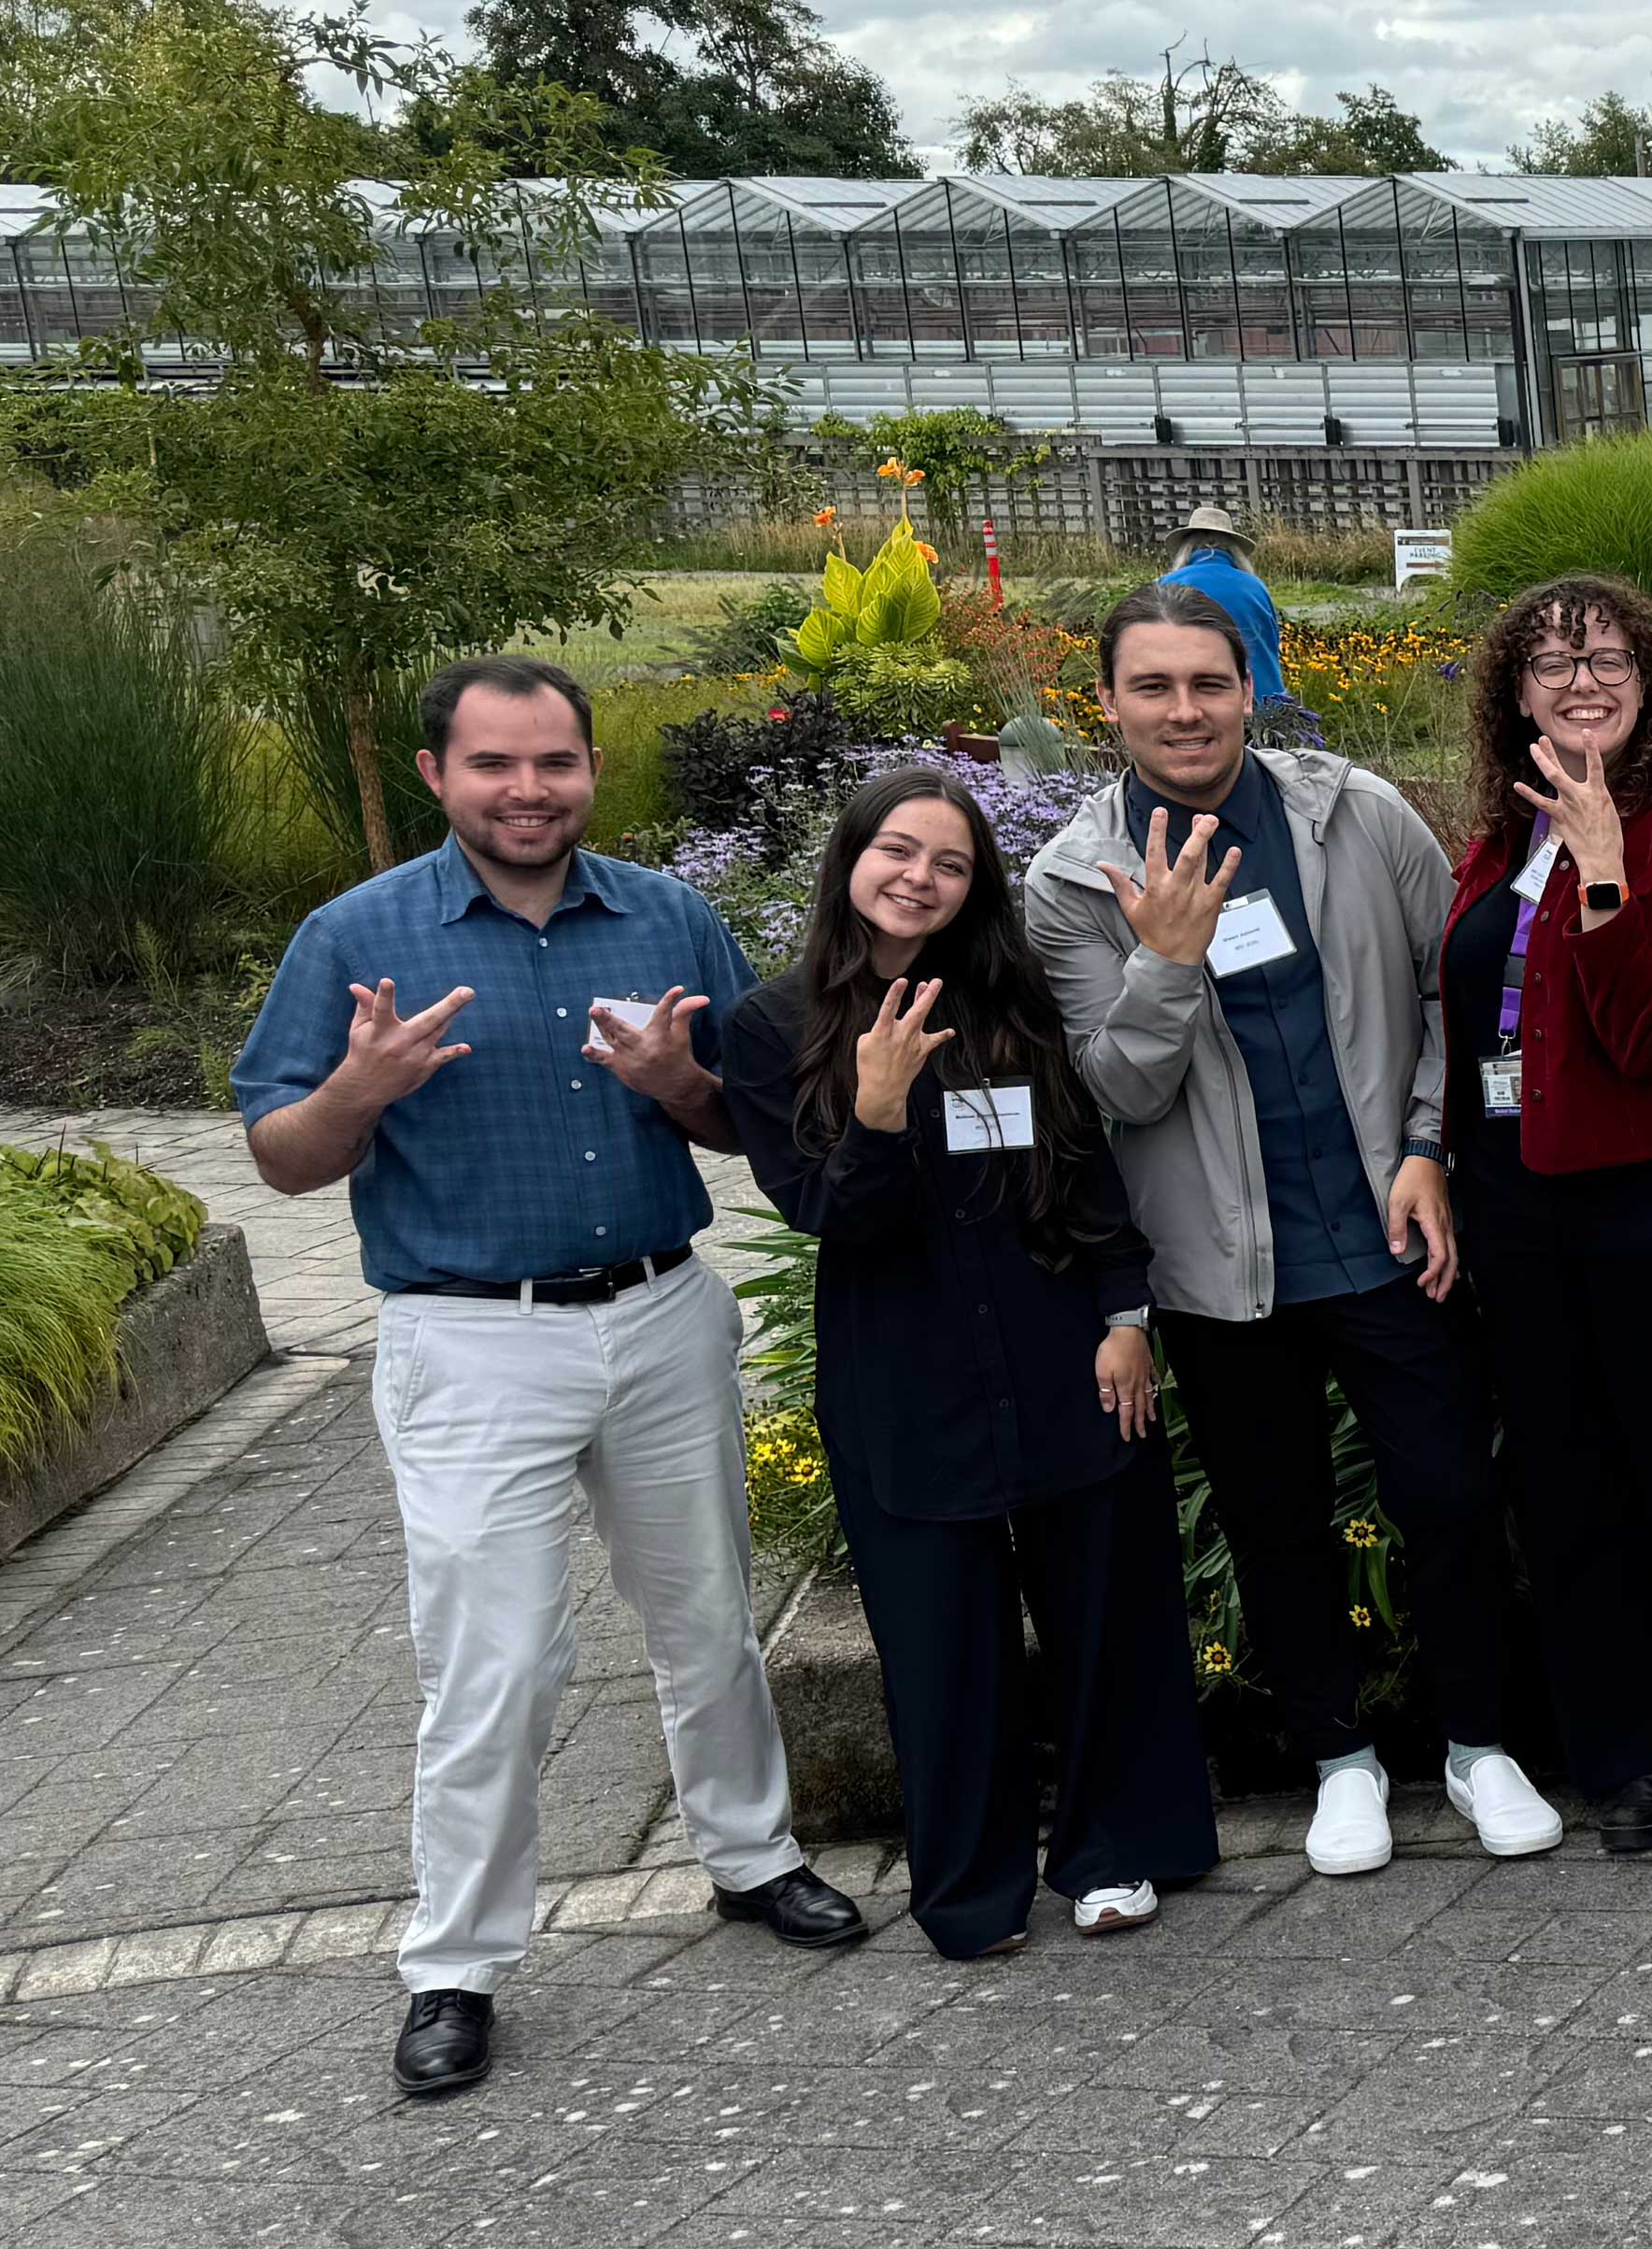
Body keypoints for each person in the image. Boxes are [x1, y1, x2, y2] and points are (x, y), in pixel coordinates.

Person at [234, 655, 862, 2100]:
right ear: (441, 775)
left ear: (589, 769)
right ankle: (455, 1960)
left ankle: (751, 1856)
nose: (529, 792)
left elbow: (741, 1122)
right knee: (497, 1655)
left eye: (555, 764)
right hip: (472, 1340)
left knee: (706, 1614)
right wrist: (360, 1091)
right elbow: (280, 1155)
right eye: (496, 767)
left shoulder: (667, 915)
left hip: (657, 1316)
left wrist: (676, 1088)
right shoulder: (353, 937)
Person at [1024, 581, 1563, 1877]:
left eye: (1208, 682)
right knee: (1280, 1522)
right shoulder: (1066, 883)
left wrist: (1431, 1146)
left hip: (1385, 1229)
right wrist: (1162, 961)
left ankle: (1481, 1747)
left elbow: (1461, 992)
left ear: (1250, 686)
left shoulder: (1354, 813)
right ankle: (1340, 1760)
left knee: (1446, 1494)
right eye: (1151, 687)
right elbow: (1114, 1091)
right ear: (1105, 706)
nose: (1184, 710)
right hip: (1219, 1260)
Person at [721, 767, 1221, 1957]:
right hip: (904, 1377)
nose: (920, 879)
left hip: (1062, 1349)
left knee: (1109, 1615)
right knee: (941, 1648)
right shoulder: (769, 1026)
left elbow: (1084, 1173)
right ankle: (970, 1886)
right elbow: (828, 1221)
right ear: (850, 858)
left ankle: (1113, 1849)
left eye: (950, 864)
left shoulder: (1012, 1000)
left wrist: (1125, 1313)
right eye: (899, 851)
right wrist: (879, 1113)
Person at [1438, 577, 1652, 1854]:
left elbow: (1644, 1036)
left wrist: (1602, 868)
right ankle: (1621, 1761)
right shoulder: (1495, 836)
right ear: (1513, 694)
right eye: (1551, 663)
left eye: (1608, 660)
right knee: (1569, 1491)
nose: (1582, 682)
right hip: (1523, 1207)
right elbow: (1473, 1024)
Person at [1164, 505, 1289, 706]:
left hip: (1202, 703)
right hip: (1266, 702)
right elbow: (1273, 643)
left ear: (1186, 548)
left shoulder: (1170, 585)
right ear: (1234, 549)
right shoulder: (1255, 587)